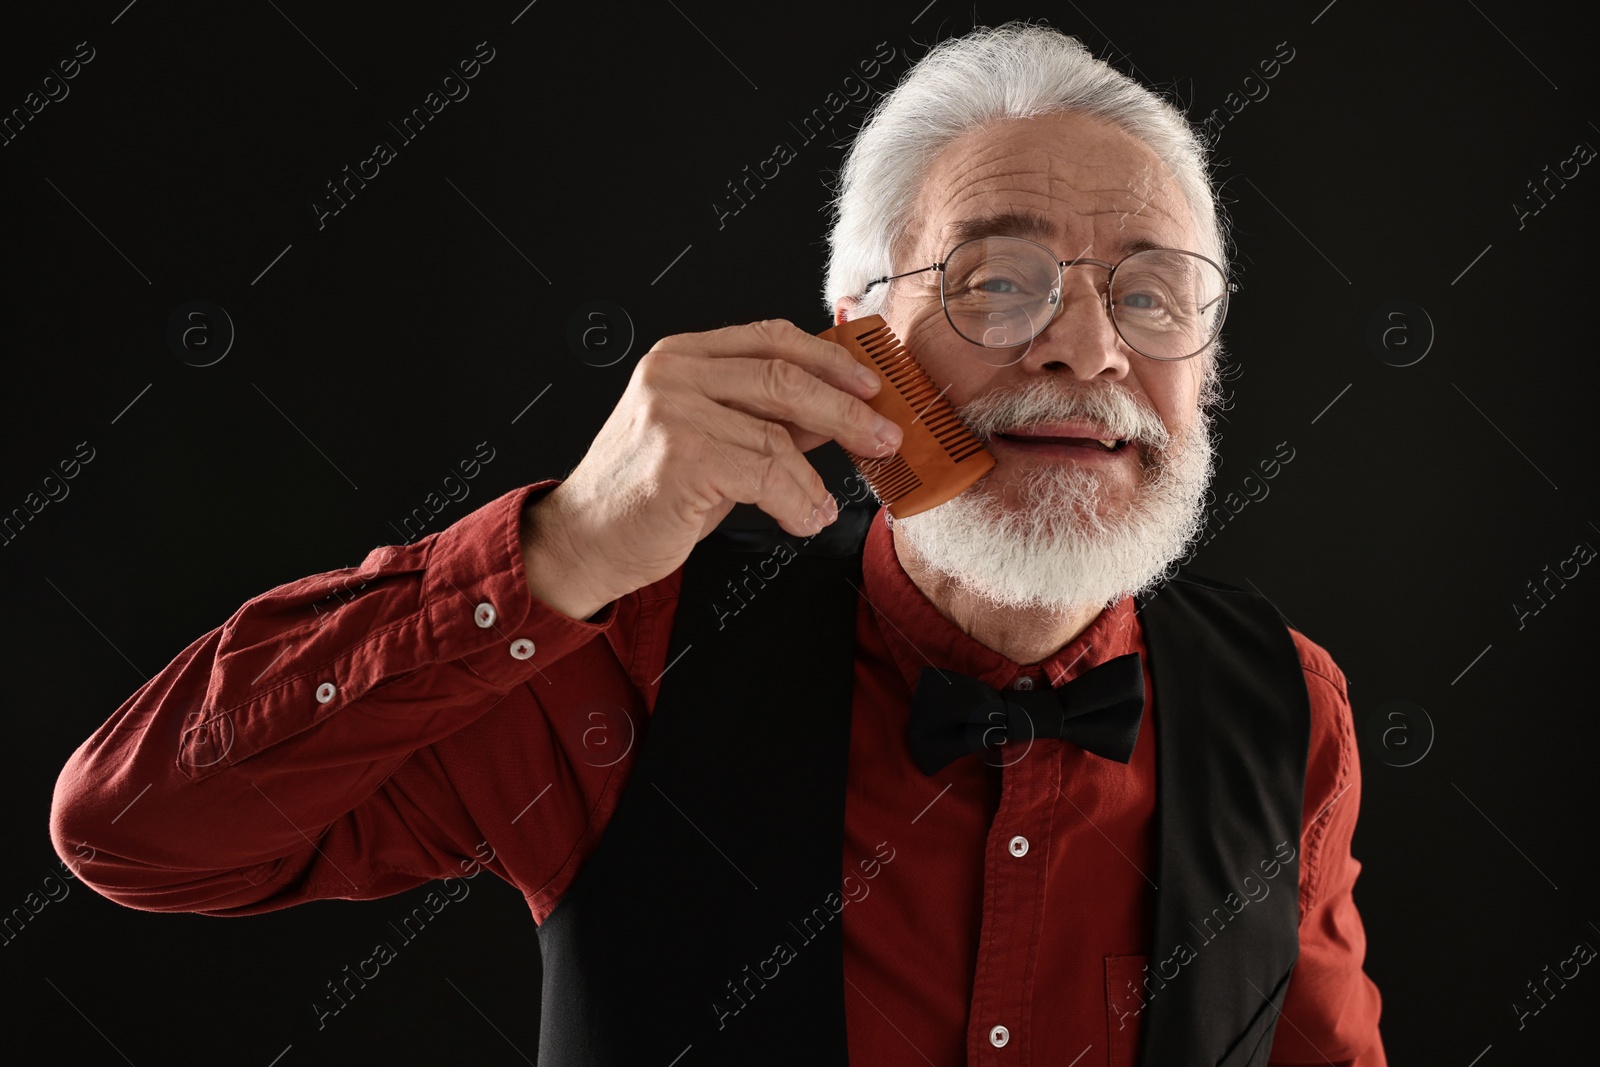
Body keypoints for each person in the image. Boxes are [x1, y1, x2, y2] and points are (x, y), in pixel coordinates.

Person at [51, 22, 1384, 1067]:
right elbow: (139, 831)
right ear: (860, 338)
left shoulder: (1291, 707)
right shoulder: (623, 654)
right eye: (998, 282)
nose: (1087, 350)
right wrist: (560, 551)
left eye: (1151, 294)